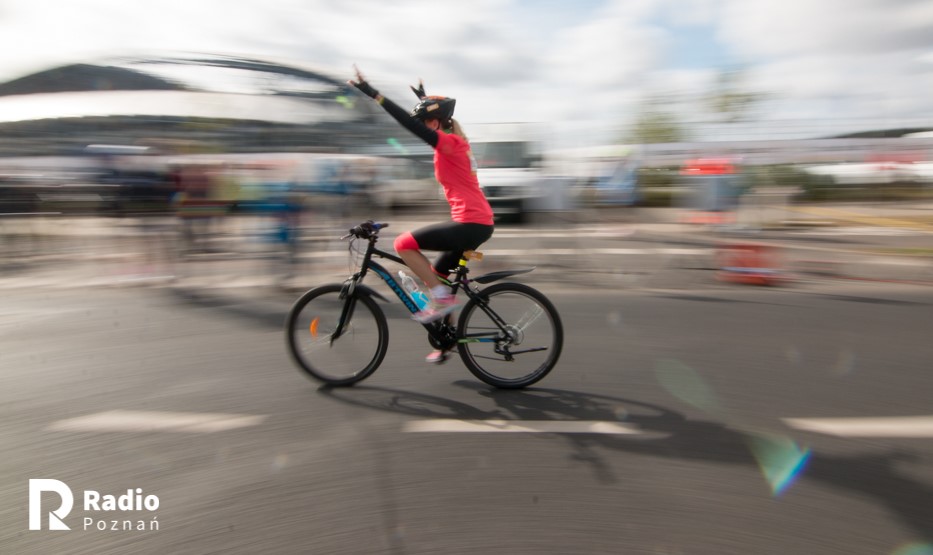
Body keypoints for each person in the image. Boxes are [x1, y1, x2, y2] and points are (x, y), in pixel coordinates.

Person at [348, 66, 495, 362]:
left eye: (429, 121)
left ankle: (441, 300)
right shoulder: (453, 142)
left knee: (403, 244)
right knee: (438, 277)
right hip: (472, 221)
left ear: (439, 122)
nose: (425, 126)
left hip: (472, 221)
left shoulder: (451, 144)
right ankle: (447, 342)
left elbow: (413, 126)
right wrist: (424, 99)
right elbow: (433, 123)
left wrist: (374, 94)